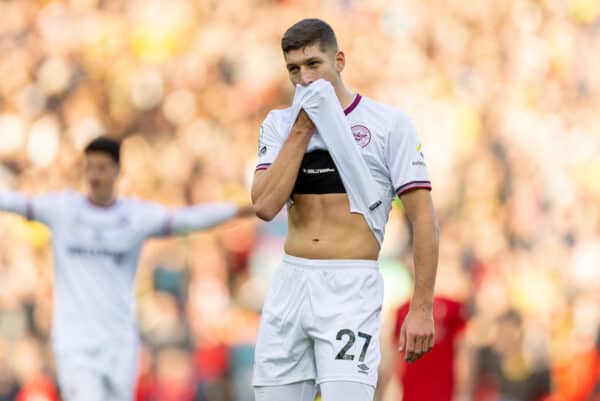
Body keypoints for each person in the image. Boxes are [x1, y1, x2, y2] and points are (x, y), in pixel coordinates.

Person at [251, 18, 439, 401]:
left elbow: (423, 219)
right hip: (291, 284)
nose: (304, 78)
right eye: (293, 69)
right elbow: (266, 205)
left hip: (349, 287)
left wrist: (421, 308)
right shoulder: (279, 124)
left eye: (313, 64)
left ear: (339, 60)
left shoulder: (388, 125)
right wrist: (302, 127)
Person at [0, 136, 255, 401]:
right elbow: (13, 202)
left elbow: (187, 219)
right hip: (76, 343)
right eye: (90, 168)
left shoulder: (134, 216)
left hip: (119, 341)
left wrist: (241, 210)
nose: (95, 175)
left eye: (102, 168)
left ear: (117, 171)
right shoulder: (63, 209)